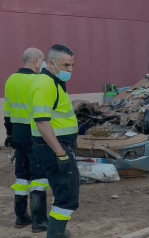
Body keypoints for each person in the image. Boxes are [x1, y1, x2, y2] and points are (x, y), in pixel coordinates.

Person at [29, 44, 79, 238]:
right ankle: (55, 234)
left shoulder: (53, 81)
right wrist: (60, 153)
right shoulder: (45, 84)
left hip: (53, 147)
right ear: (51, 63)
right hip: (54, 148)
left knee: (63, 193)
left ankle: (58, 232)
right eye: (66, 65)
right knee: (67, 196)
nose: (70, 70)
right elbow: (42, 122)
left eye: (72, 65)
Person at [3, 47, 49, 232]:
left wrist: (10, 135)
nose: (43, 63)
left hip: (18, 135)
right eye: (43, 59)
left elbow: (7, 112)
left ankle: (21, 218)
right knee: (39, 177)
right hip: (35, 134)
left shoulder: (11, 80)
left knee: (21, 176)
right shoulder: (38, 80)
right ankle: (39, 222)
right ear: (36, 61)